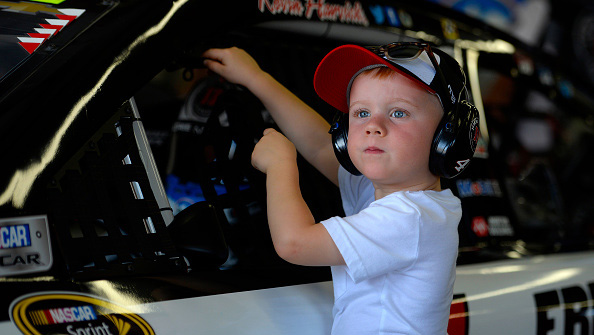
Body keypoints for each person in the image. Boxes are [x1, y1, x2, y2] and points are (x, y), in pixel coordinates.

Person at [202, 42, 479, 334]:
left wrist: (280, 165)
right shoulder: (394, 196)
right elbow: (321, 145)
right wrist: (256, 78)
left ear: (449, 137)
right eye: (360, 113)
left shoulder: (411, 218)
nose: (373, 126)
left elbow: (294, 244)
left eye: (398, 113)